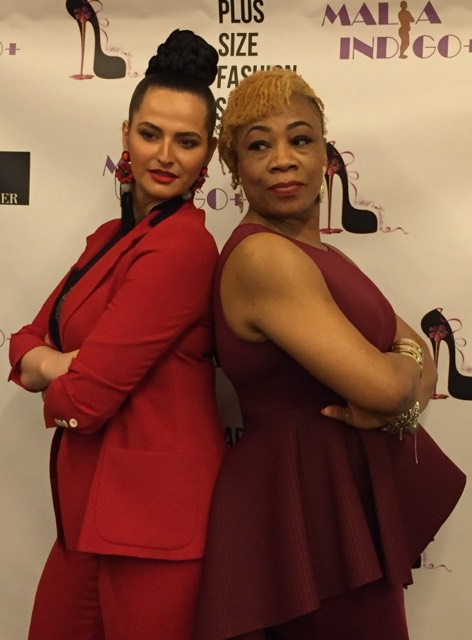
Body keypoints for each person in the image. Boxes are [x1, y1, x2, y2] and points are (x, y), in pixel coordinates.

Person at [193, 68, 466, 640]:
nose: (283, 160)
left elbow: (417, 355)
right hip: (302, 511)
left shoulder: (323, 256)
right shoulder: (263, 258)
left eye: (300, 139)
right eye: (259, 146)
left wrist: (401, 377)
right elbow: (390, 385)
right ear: (235, 167)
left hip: (340, 504)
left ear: (326, 155)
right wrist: (397, 386)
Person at [8, 29, 226, 640]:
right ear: (126, 133)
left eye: (187, 141)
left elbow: (86, 398)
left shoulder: (184, 246)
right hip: (84, 517)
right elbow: (23, 343)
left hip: (154, 525)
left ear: (208, 153)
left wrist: (55, 368)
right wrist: (56, 362)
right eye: (151, 133)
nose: (165, 155)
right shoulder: (108, 238)